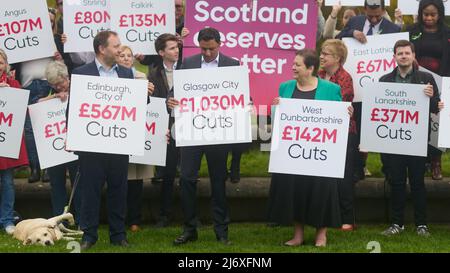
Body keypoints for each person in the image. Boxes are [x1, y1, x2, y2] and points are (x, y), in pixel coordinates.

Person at [70, 31, 153, 250]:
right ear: (101, 49)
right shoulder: (81, 72)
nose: (120, 49)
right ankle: (89, 235)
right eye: (116, 46)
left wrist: (145, 93)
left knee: (119, 190)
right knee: (90, 191)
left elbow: (137, 106)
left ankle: (118, 235)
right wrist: (73, 139)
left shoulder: (127, 73)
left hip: (119, 143)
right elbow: (74, 109)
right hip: (91, 145)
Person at [269, 49, 352, 247]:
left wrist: (346, 112)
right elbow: (279, 121)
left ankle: (321, 235)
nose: (293, 67)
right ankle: (298, 235)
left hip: (321, 154)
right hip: (294, 153)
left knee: (321, 190)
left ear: (311, 68)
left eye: (297, 65)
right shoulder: (285, 87)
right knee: (295, 189)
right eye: (294, 64)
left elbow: (338, 118)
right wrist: (276, 108)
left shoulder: (330, 89)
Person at [167, 27, 240, 245]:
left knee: (218, 181)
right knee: (187, 178)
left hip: (218, 132)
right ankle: (190, 228)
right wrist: (169, 101)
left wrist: (247, 103)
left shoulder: (232, 65)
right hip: (191, 131)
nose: (207, 53)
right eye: (203, 48)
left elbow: (242, 94)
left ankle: (221, 230)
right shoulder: (188, 63)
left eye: (211, 49)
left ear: (220, 44)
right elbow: (174, 92)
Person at [379, 40, 440, 237]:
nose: (403, 56)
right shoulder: (384, 80)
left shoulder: (426, 78)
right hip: (394, 140)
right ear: (394, 57)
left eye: (407, 53)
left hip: (417, 140)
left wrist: (432, 99)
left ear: (414, 56)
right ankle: (397, 224)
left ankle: (421, 224)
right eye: (400, 53)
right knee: (396, 182)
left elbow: (434, 109)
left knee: (417, 183)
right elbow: (379, 110)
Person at [336, 0, 401, 183]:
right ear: (364, 9)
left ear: (384, 10)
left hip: (383, 90)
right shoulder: (355, 22)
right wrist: (351, 32)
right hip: (357, 88)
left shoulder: (393, 29)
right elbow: (338, 38)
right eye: (370, 15)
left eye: (377, 15)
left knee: (385, 129)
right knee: (359, 130)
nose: (373, 19)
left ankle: (388, 168)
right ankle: (358, 168)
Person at [12, 9, 64, 184]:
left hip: (47, 85)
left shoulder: (56, 40)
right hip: (26, 86)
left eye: (51, 22)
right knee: (29, 130)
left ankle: (49, 168)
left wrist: (59, 56)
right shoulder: (23, 37)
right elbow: (10, 60)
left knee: (47, 127)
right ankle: (34, 168)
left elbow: (65, 65)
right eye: (45, 21)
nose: (47, 25)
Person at [404, 0, 450, 180]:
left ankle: (436, 162)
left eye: (433, 14)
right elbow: (402, 50)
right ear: (420, 13)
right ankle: (419, 162)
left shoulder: (447, 32)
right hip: (415, 83)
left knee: (437, 123)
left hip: (442, 82)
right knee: (416, 123)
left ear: (440, 14)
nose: (429, 18)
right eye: (426, 14)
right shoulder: (411, 31)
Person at [318, 39, 357, 231]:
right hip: (321, 132)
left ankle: (347, 218)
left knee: (344, 176)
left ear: (338, 58)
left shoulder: (345, 78)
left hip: (343, 133)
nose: (322, 56)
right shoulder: (318, 75)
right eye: (322, 53)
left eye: (326, 54)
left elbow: (341, 101)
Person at [116, 45, 153, 232]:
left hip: (135, 131)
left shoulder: (140, 77)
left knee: (136, 179)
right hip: (117, 133)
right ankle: (118, 217)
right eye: (121, 55)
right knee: (119, 178)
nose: (125, 58)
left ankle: (134, 219)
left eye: (129, 55)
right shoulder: (111, 77)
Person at [39, 61, 80, 224]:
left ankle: (78, 217)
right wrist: (54, 97)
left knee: (78, 185)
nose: (59, 87)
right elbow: (37, 105)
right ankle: (58, 219)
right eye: (54, 85)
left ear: (67, 77)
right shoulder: (52, 91)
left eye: (60, 83)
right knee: (57, 184)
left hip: (74, 147)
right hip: (54, 150)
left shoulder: (78, 86)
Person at [148, 34, 182, 228]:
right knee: (168, 173)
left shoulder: (187, 68)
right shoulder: (153, 73)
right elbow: (152, 102)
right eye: (171, 48)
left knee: (188, 173)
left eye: (177, 47)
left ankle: (189, 215)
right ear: (161, 53)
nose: (176, 50)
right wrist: (165, 105)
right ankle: (164, 215)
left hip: (188, 125)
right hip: (167, 128)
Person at [0, 49, 29, 234]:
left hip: (6, 144)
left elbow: (22, 112)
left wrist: (10, 93)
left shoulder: (14, 84)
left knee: (8, 182)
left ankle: (7, 219)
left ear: (6, 65)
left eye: (0, 63)